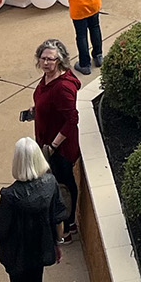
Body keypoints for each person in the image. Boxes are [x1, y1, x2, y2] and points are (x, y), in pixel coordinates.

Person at [0, 137, 69, 282]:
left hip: (16, 257)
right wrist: (57, 243)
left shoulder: (10, 196)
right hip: (41, 251)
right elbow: (58, 218)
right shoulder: (50, 183)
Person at [22, 39, 82, 239]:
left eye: (51, 59)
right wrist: (36, 110)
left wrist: (54, 146)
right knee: (55, 182)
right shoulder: (48, 78)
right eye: (43, 58)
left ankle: (68, 225)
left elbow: (71, 119)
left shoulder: (63, 87)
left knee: (64, 185)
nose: (46, 62)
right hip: (46, 141)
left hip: (60, 149)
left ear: (60, 61)